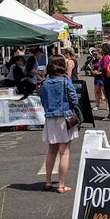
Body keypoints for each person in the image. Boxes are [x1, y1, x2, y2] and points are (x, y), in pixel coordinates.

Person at [38, 55, 79, 194]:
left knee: (51, 150)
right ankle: (61, 185)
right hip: (65, 117)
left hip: (50, 118)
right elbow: (74, 98)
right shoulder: (65, 80)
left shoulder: (45, 82)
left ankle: (48, 181)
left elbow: (42, 99)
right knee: (64, 152)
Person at [91, 46, 106, 110]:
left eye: (97, 54)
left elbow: (106, 69)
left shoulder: (105, 60)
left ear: (100, 53)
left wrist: (101, 72)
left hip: (103, 78)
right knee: (97, 92)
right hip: (97, 78)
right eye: (95, 54)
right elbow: (92, 69)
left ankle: (107, 105)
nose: (96, 55)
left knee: (105, 92)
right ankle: (97, 105)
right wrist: (94, 72)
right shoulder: (94, 61)